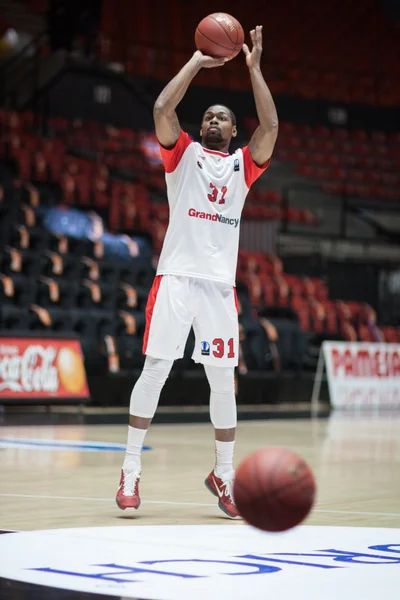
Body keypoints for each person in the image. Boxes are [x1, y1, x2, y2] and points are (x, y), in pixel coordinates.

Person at [116, 25, 278, 518]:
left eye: (221, 118)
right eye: (207, 115)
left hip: (218, 289)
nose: (212, 119)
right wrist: (196, 62)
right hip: (177, 278)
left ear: (232, 132)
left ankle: (224, 474)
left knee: (221, 380)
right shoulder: (182, 155)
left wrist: (253, 70)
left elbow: (270, 129)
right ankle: (129, 470)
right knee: (157, 369)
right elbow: (163, 109)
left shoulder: (242, 168)